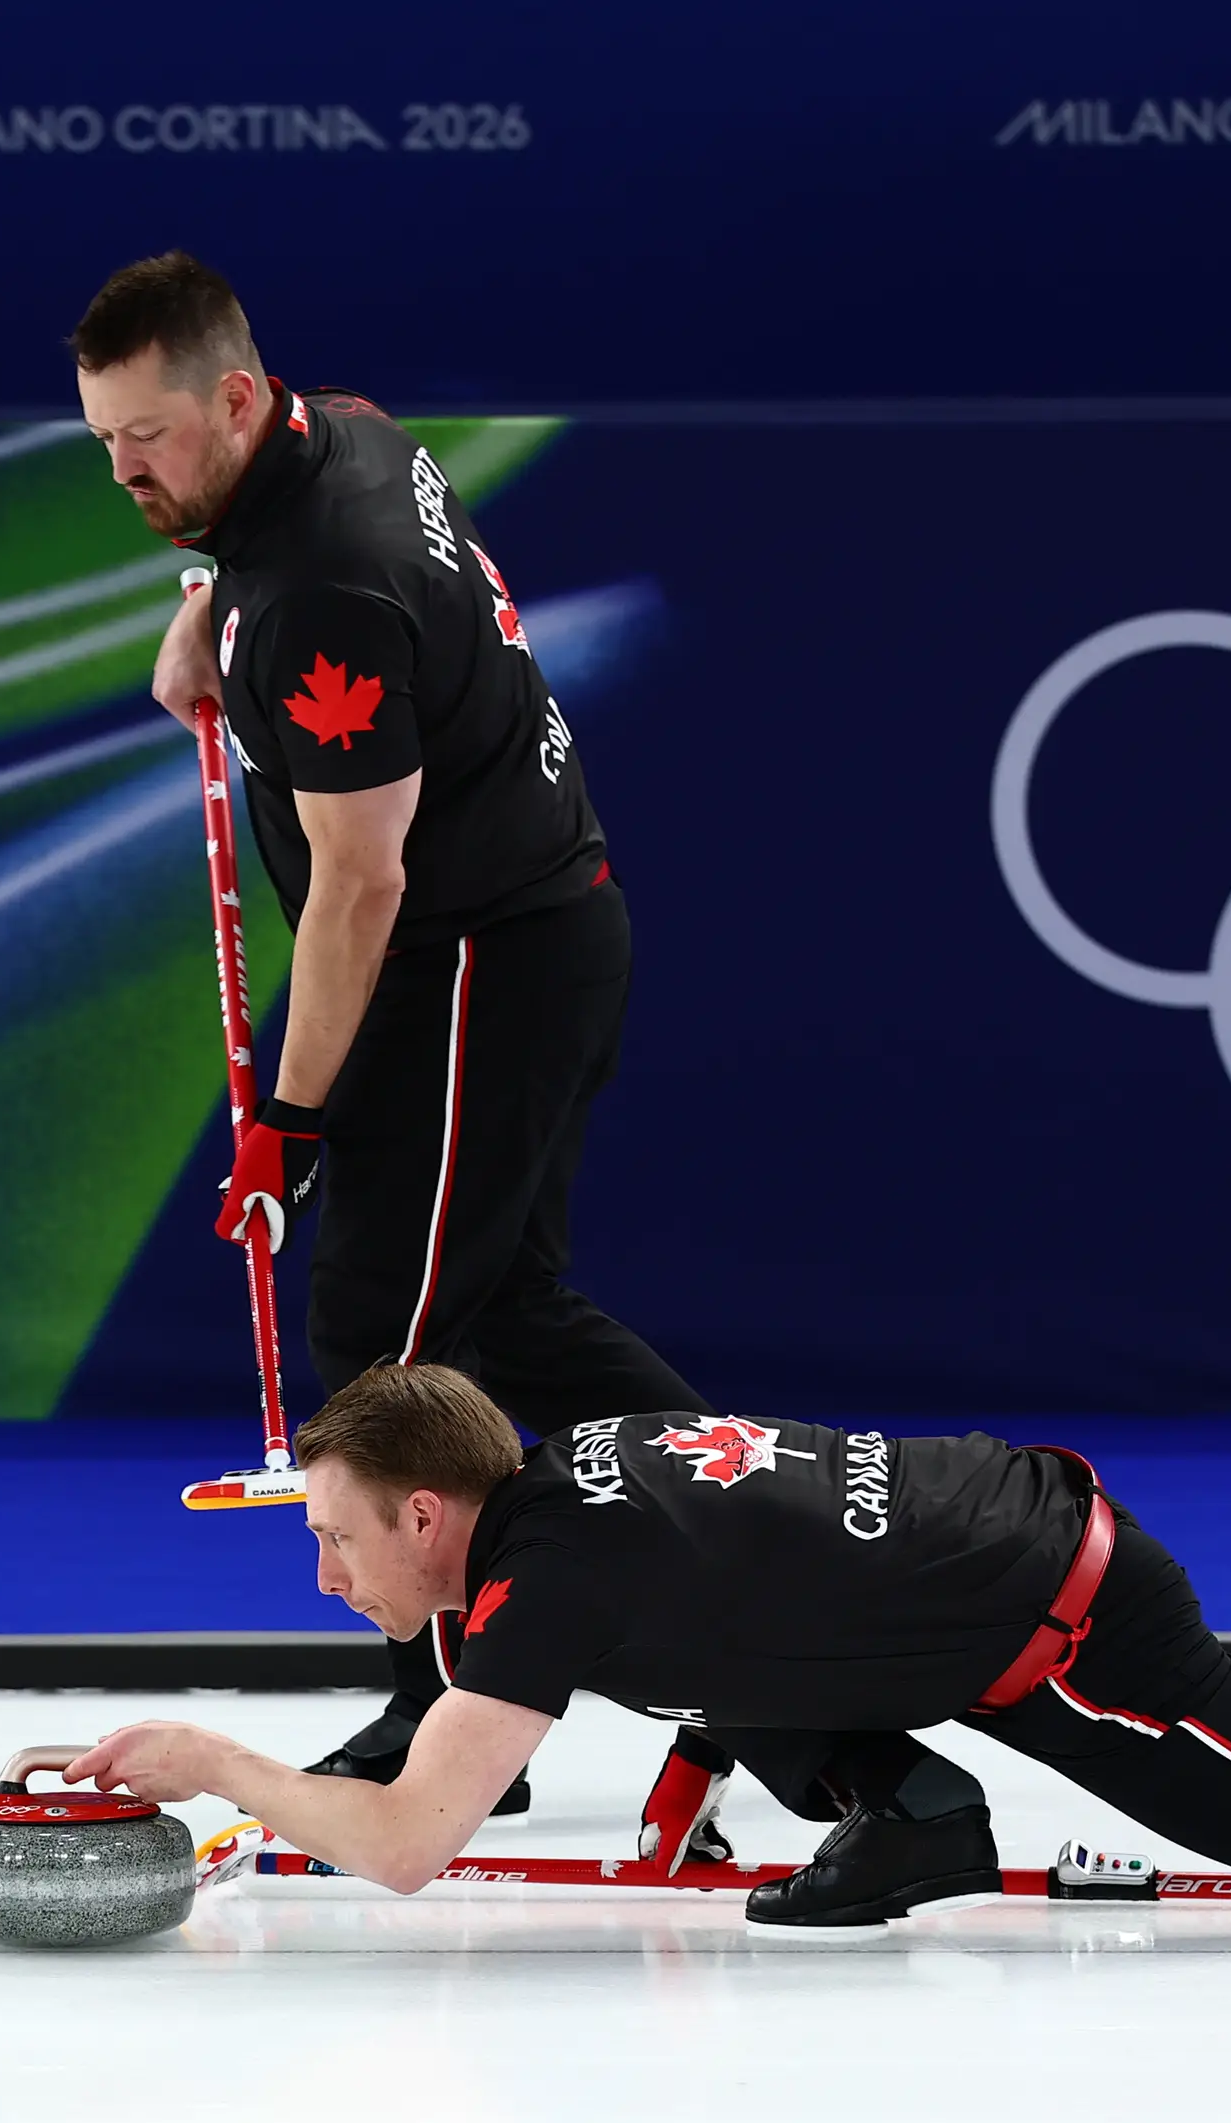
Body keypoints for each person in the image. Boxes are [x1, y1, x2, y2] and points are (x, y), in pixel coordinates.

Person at [72, 1365, 1231, 1937]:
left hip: (1070, 1629)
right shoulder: (558, 1471)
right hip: (977, 1545)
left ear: (428, 1515)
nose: (318, 1571)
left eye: (332, 1536)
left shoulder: (542, 1590)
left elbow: (415, 1842)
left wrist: (216, 1766)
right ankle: (918, 1814)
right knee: (718, 1672)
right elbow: (714, 1612)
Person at [73, 250, 745, 1833]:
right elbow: (297, 583)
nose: (125, 472)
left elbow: (360, 885)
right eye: (103, 442)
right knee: (509, 1317)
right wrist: (210, 616)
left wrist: (288, 1120)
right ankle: (747, 1554)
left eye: (149, 437)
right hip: (533, 934)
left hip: (471, 968)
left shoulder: (324, 584)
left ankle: (447, 1728)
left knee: (385, 1344)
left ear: (239, 401)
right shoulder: (344, 435)